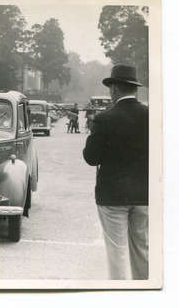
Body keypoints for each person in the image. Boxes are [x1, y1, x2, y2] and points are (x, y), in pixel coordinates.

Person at [83, 64, 149, 280]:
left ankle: (121, 297)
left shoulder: (104, 119)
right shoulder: (151, 116)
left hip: (112, 195)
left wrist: (93, 135)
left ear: (115, 89)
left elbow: (91, 158)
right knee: (142, 248)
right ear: (134, 88)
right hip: (144, 193)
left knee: (117, 251)